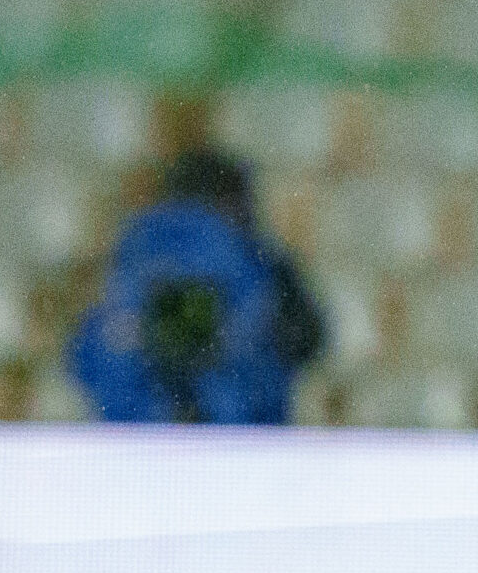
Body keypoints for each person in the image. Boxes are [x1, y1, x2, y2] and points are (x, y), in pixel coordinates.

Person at [70, 147, 326, 425]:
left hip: (226, 417)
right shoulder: (141, 257)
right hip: (165, 421)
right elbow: (95, 357)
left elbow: (305, 342)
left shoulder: (261, 265)